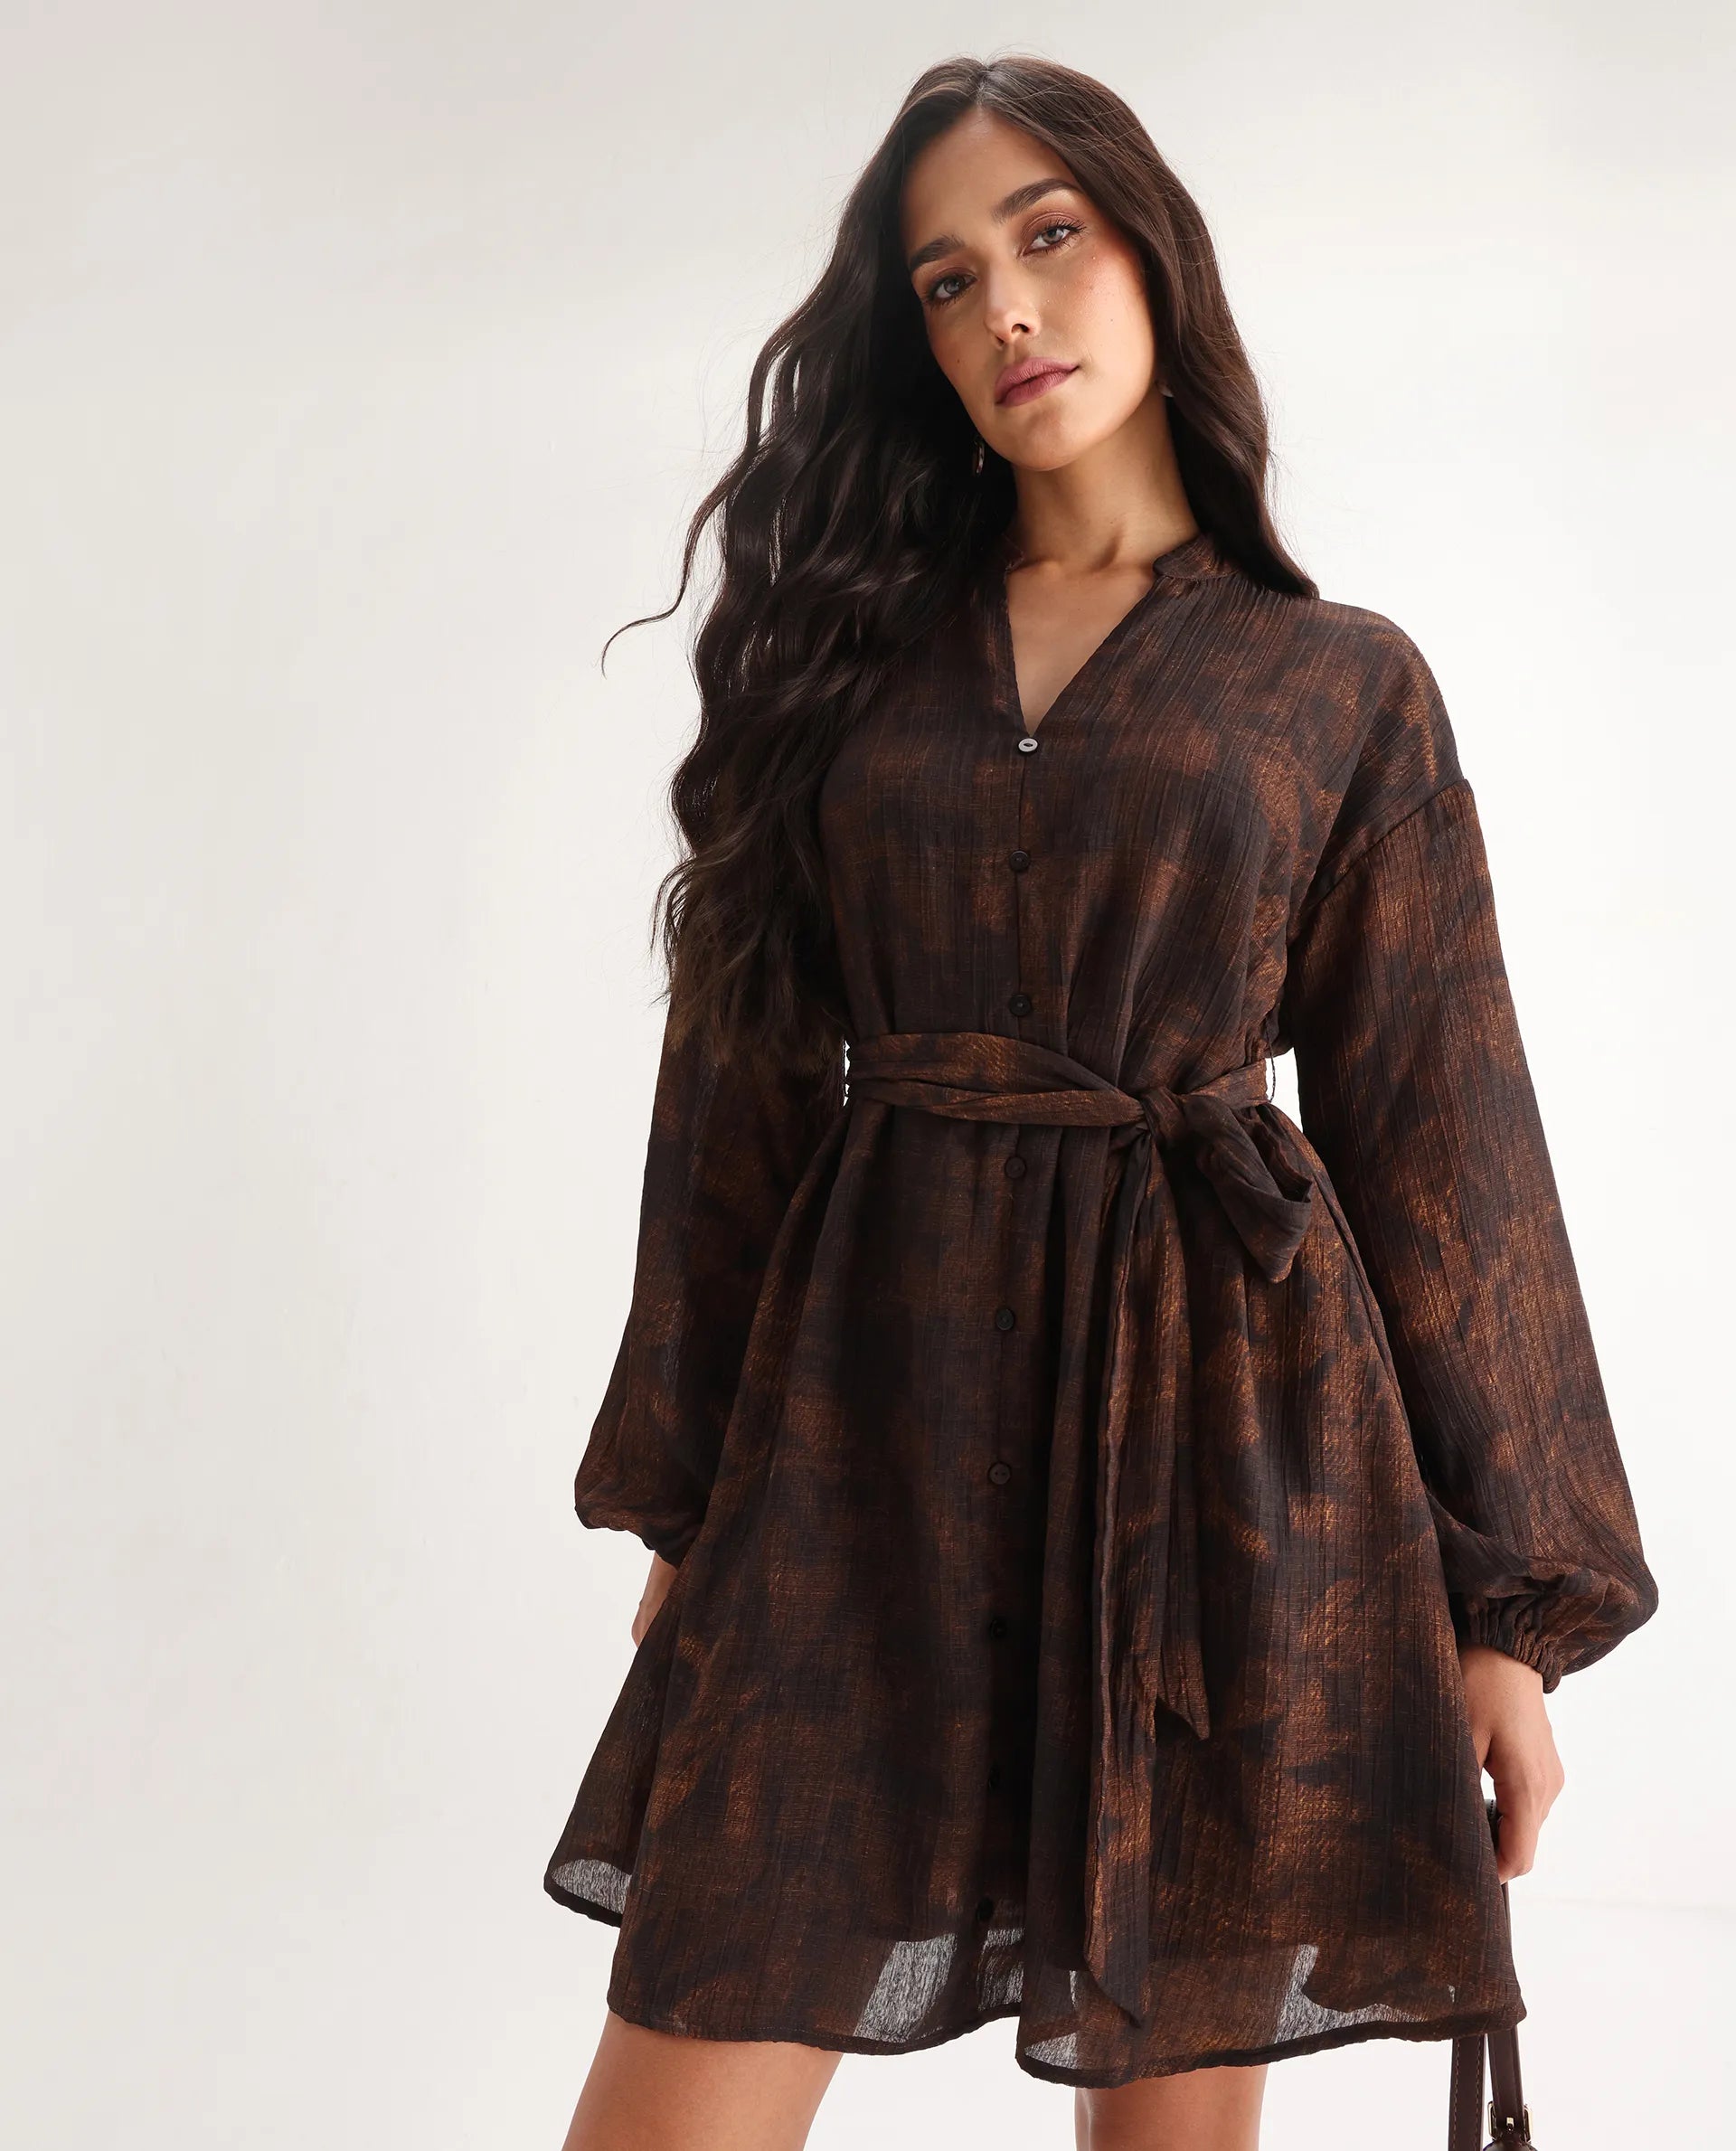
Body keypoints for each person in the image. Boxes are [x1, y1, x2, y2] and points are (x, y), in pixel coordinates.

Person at [544, 52, 1657, 2151]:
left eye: (1047, 236)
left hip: (1218, 1453)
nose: (1008, 311)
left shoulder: (1338, 683)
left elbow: (1447, 1144)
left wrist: (1509, 1616)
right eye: (947, 280)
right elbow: (737, 1090)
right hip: (864, 1445)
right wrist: (693, 1507)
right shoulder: (846, 662)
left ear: (1154, 253)